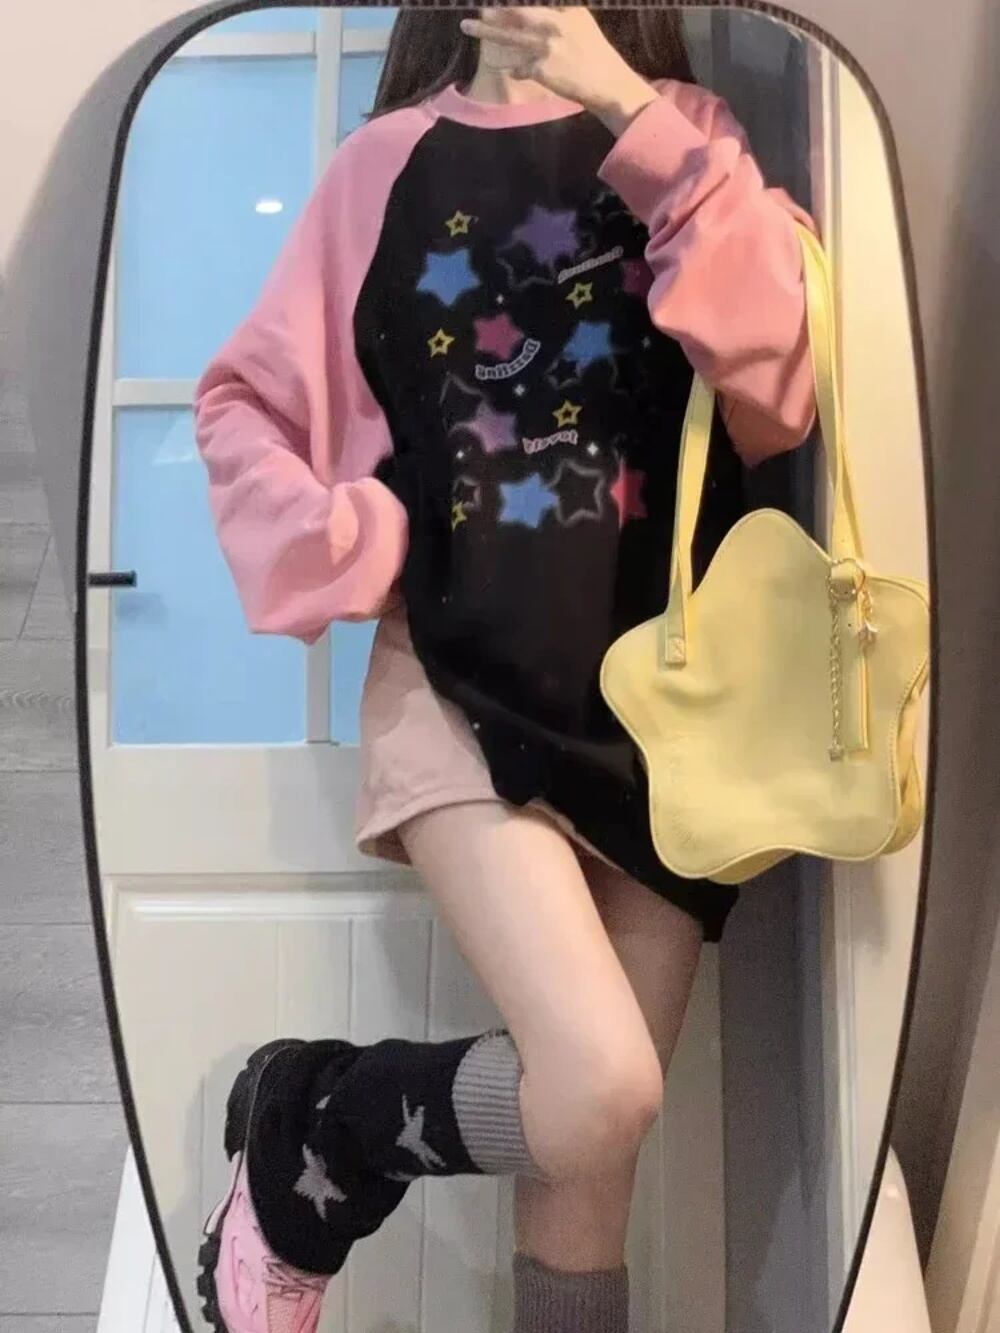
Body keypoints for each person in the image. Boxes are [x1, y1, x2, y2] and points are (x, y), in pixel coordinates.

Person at [192, 9, 817, 1332]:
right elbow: (243, 405)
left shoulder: (683, 142)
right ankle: (324, 1127)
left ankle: (327, 1119)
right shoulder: (384, 168)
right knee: (599, 1087)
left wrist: (623, 101)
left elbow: (779, 389)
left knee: (590, 1182)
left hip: (669, 723)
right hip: (459, 691)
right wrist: (353, 538)